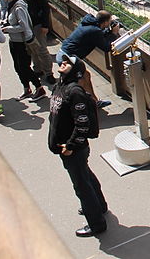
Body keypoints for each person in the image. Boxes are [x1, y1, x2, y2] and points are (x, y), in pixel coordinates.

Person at [48, 54, 108, 237]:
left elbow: (83, 123)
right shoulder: (61, 86)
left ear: (76, 71)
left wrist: (71, 146)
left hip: (72, 149)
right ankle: (99, 206)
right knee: (85, 176)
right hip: (68, 147)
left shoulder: (74, 92)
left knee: (81, 186)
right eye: (63, 61)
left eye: (68, 63)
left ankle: (96, 224)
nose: (63, 62)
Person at [57, 10, 120, 108]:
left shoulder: (89, 23)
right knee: (80, 82)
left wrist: (108, 31)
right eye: (109, 21)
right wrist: (114, 34)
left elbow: (99, 34)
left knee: (86, 76)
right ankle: (81, 105)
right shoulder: (95, 31)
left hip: (63, 53)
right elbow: (106, 47)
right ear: (105, 22)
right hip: (68, 58)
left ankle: (93, 101)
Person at [1, 0, 46, 101]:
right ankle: (26, 89)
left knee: (24, 67)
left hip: (22, 43)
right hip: (14, 41)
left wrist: (8, 28)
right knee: (18, 67)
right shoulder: (11, 5)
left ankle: (39, 88)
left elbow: (24, 26)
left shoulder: (19, 7)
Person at [10, 0, 54, 84]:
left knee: (41, 49)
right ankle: (38, 69)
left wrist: (45, 25)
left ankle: (49, 73)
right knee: (32, 49)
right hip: (27, 25)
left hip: (37, 24)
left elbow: (45, 7)